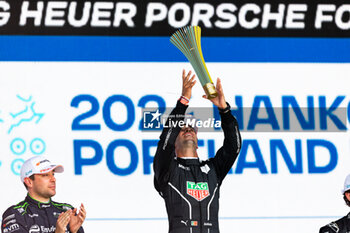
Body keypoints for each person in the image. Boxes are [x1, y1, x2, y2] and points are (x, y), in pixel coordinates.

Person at [153, 70, 242, 233]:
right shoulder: (167, 170)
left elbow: (234, 146)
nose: (188, 129)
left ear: (198, 143)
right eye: (182, 128)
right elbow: (165, 139)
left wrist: (224, 110)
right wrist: (183, 101)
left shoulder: (213, 170)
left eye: (192, 128)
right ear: (174, 142)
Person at [1, 156, 86, 233]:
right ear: (29, 182)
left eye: (53, 174)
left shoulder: (66, 211)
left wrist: (73, 232)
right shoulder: (15, 214)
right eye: (45, 175)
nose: (53, 179)